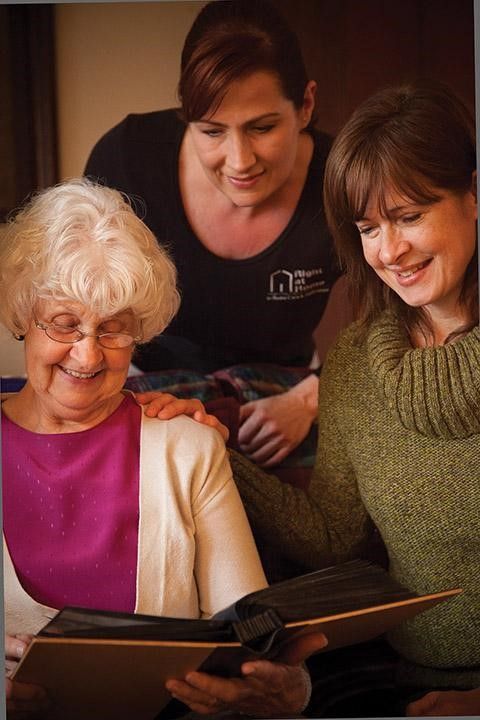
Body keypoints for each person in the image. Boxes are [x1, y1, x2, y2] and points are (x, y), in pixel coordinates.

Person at [0, 178, 326, 718]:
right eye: (64, 324)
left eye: (114, 330)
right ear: (22, 320)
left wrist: (284, 689)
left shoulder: (188, 448)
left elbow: (254, 638)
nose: (87, 355)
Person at [224, 81, 480, 716]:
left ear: (474, 195)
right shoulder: (354, 363)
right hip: (401, 685)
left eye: (410, 216)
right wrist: (209, 449)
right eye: (369, 228)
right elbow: (336, 537)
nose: (388, 252)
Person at [84, 0, 345, 469]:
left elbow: (407, 319)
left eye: (262, 128)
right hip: (152, 396)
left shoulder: (345, 179)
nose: (240, 160)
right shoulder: (126, 159)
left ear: (305, 105)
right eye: (211, 131)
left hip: (286, 403)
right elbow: (82, 305)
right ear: (186, 115)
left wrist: (312, 399)